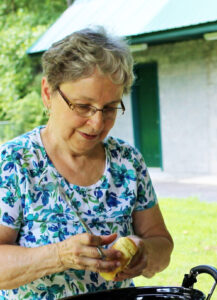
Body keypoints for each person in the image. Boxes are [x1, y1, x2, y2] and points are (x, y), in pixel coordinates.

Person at [0, 27, 174, 299]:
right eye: (83, 106)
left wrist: (145, 252)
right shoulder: (13, 163)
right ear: (48, 93)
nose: (97, 123)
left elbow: (162, 244)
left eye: (109, 108)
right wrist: (59, 256)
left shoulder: (127, 162)